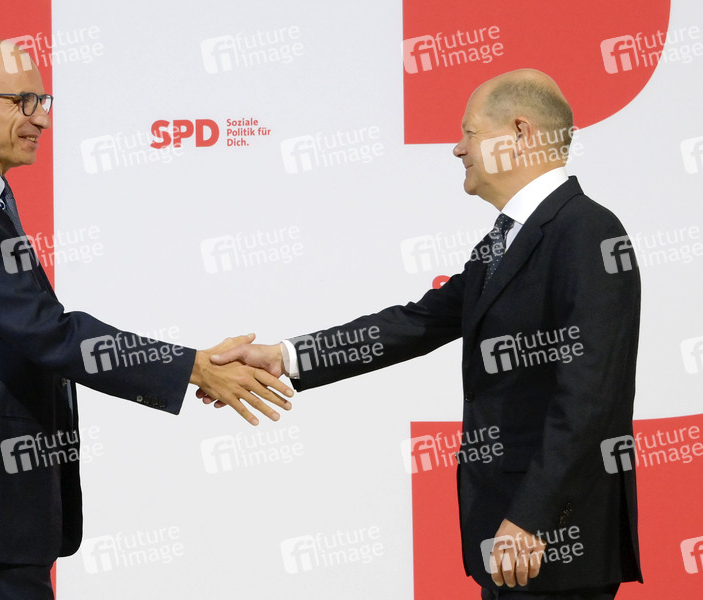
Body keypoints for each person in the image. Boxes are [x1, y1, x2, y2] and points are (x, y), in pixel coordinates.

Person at [204, 69, 642, 599]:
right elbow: (417, 323)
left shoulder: (589, 233)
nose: (458, 149)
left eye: (470, 132)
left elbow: (591, 398)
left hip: (550, 540)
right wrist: (283, 356)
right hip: (509, 535)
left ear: (521, 133)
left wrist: (534, 517)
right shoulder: (505, 241)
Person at [0, 38, 293, 600]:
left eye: (43, 101)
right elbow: (48, 332)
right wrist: (193, 368)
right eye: (23, 101)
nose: (41, 119)